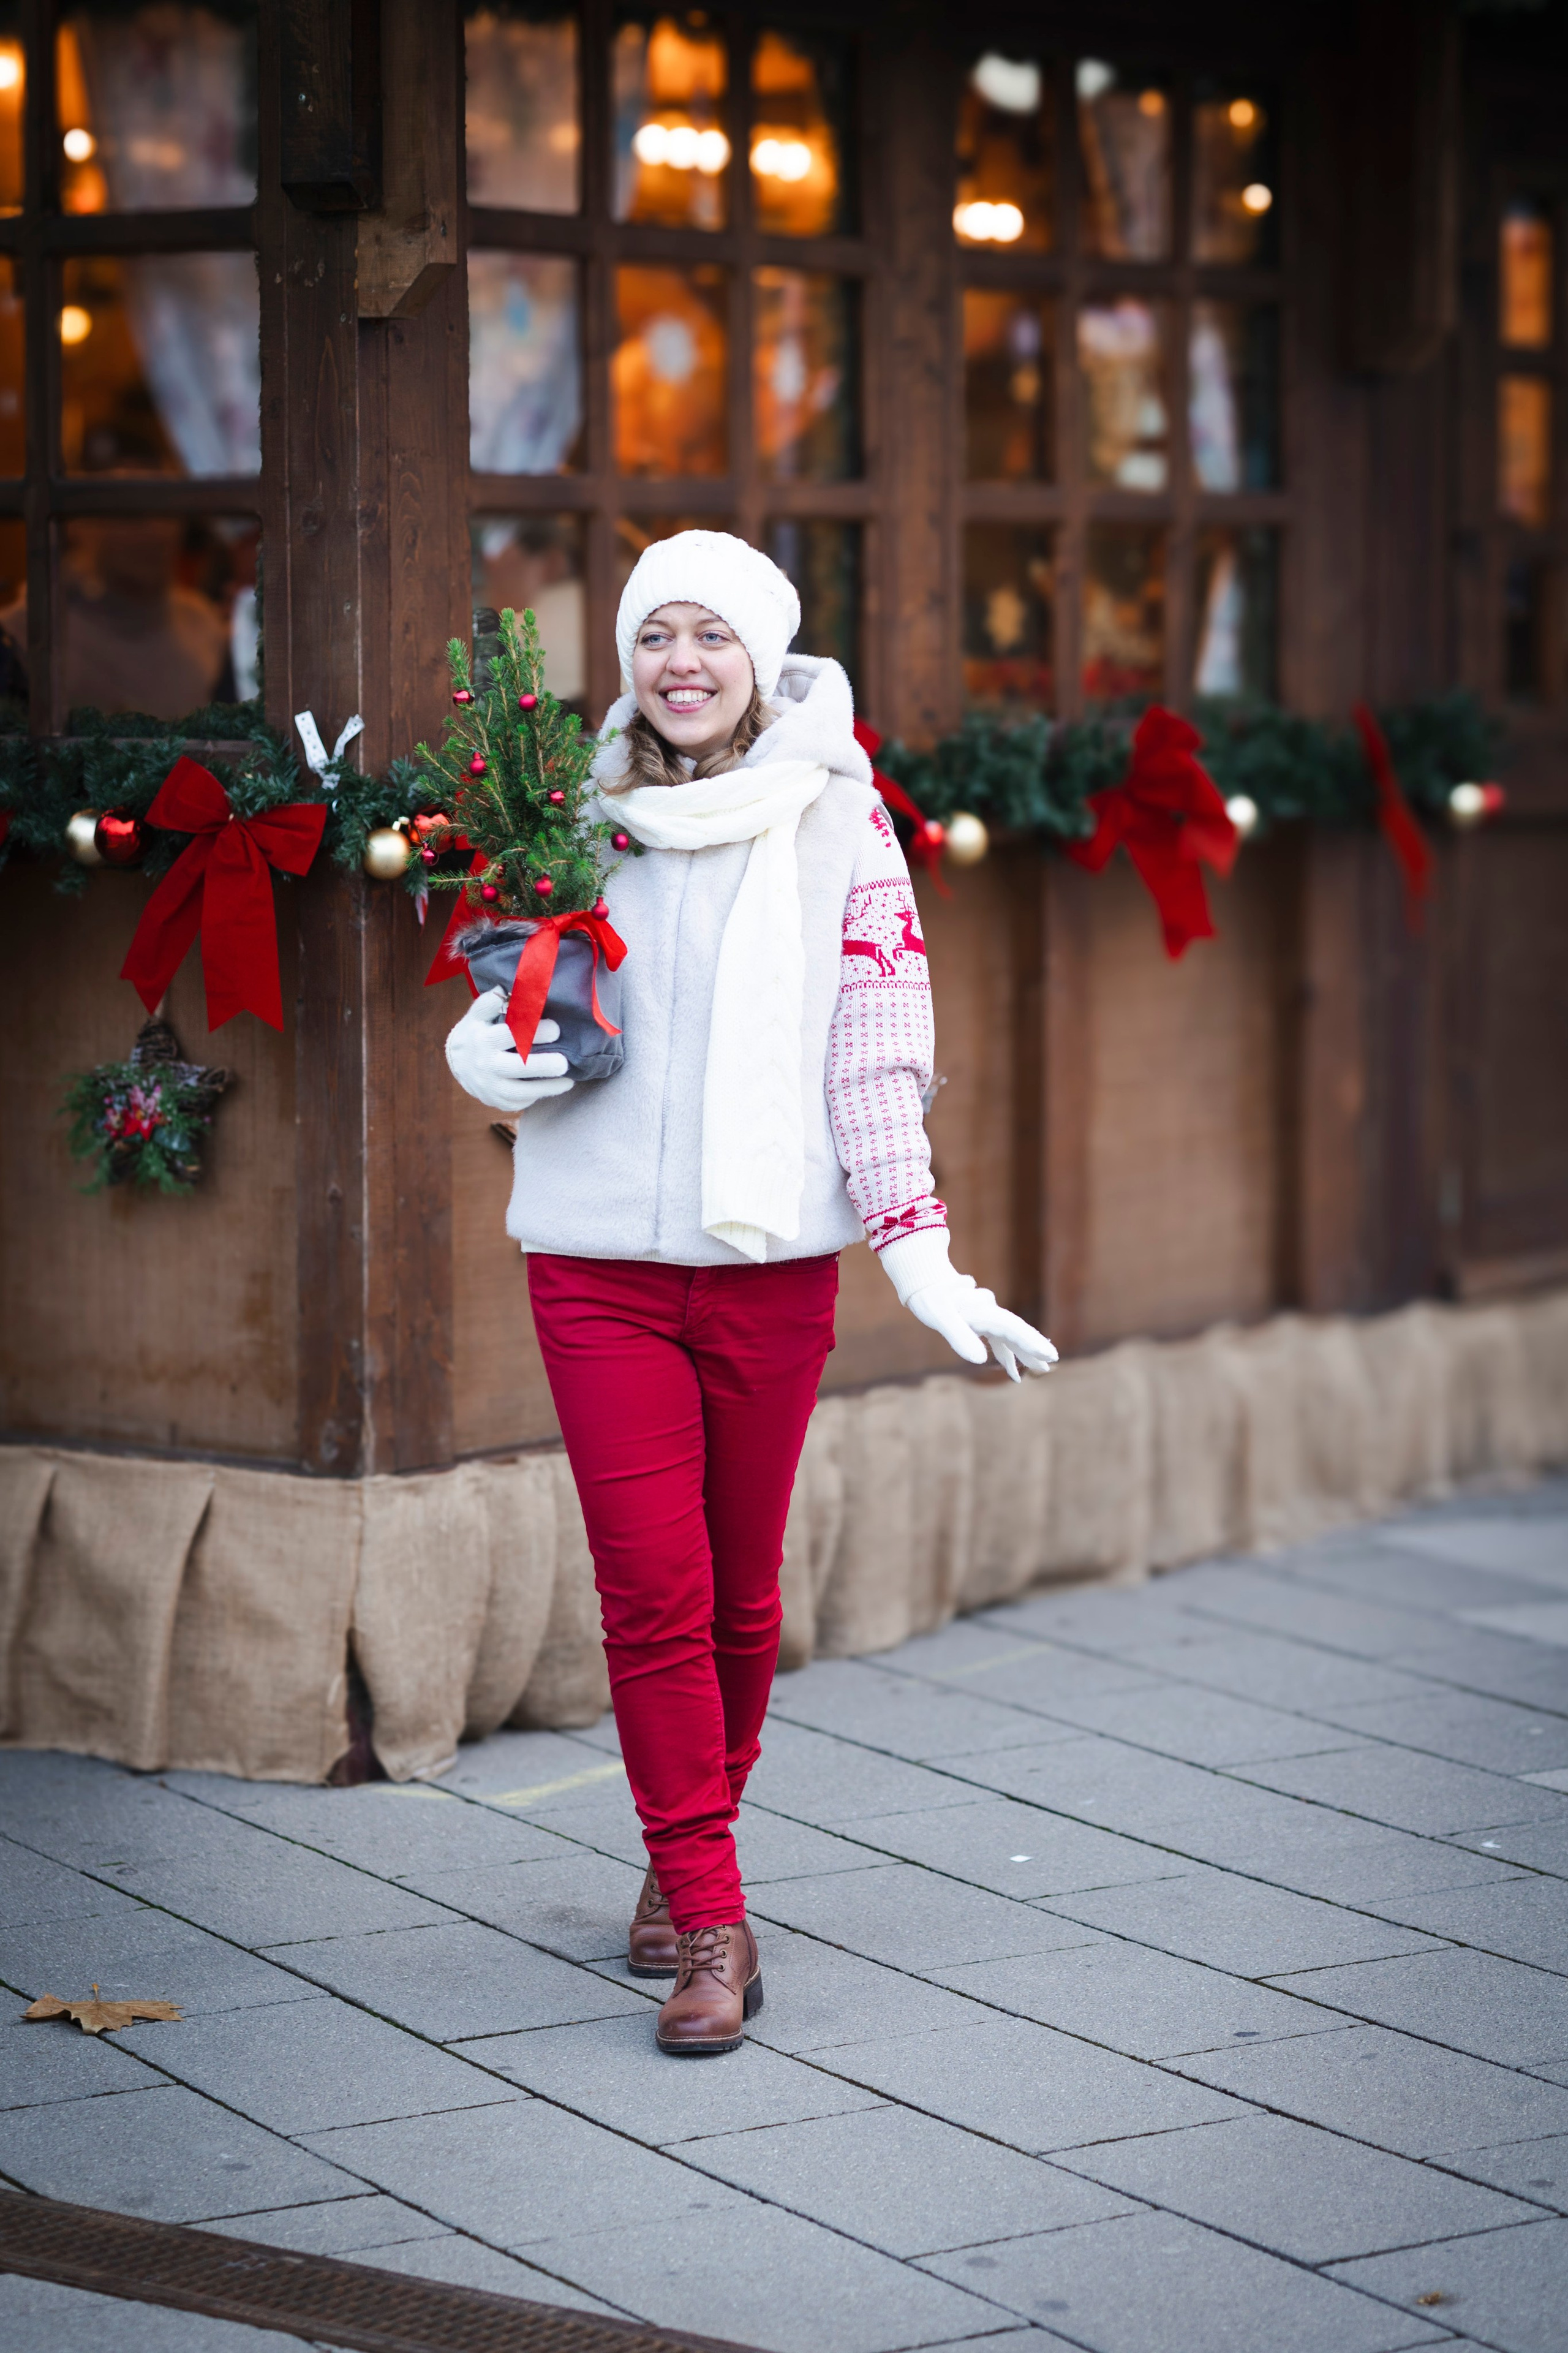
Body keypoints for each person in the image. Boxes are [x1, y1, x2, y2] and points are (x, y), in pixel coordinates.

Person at [443, 532, 1057, 2056]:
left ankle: (670, 1853)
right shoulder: (571, 819)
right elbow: (504, 997)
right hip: (596, 1267)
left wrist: (920, 1257)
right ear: (632, 659)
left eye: (714, 636)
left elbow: (873, 1060)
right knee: (650, 1598)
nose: (683, 664)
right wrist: (490, 1056)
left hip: (768, 1271)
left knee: (738, 1596)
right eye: (659, 636)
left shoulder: (844, 829)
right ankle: (712, 1924)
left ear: (762, 655)